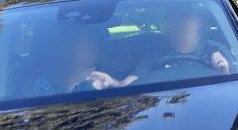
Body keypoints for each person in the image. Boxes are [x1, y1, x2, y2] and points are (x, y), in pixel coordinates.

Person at [91, 7, 230, 89]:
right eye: (174, 19)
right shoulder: (155, 53)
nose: (180, 24)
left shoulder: (215, 53)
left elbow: (231, 86)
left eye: (186, 19)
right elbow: (135, 79)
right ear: (168, 25)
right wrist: (113, 83)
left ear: (200, 26)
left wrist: (224, 70)